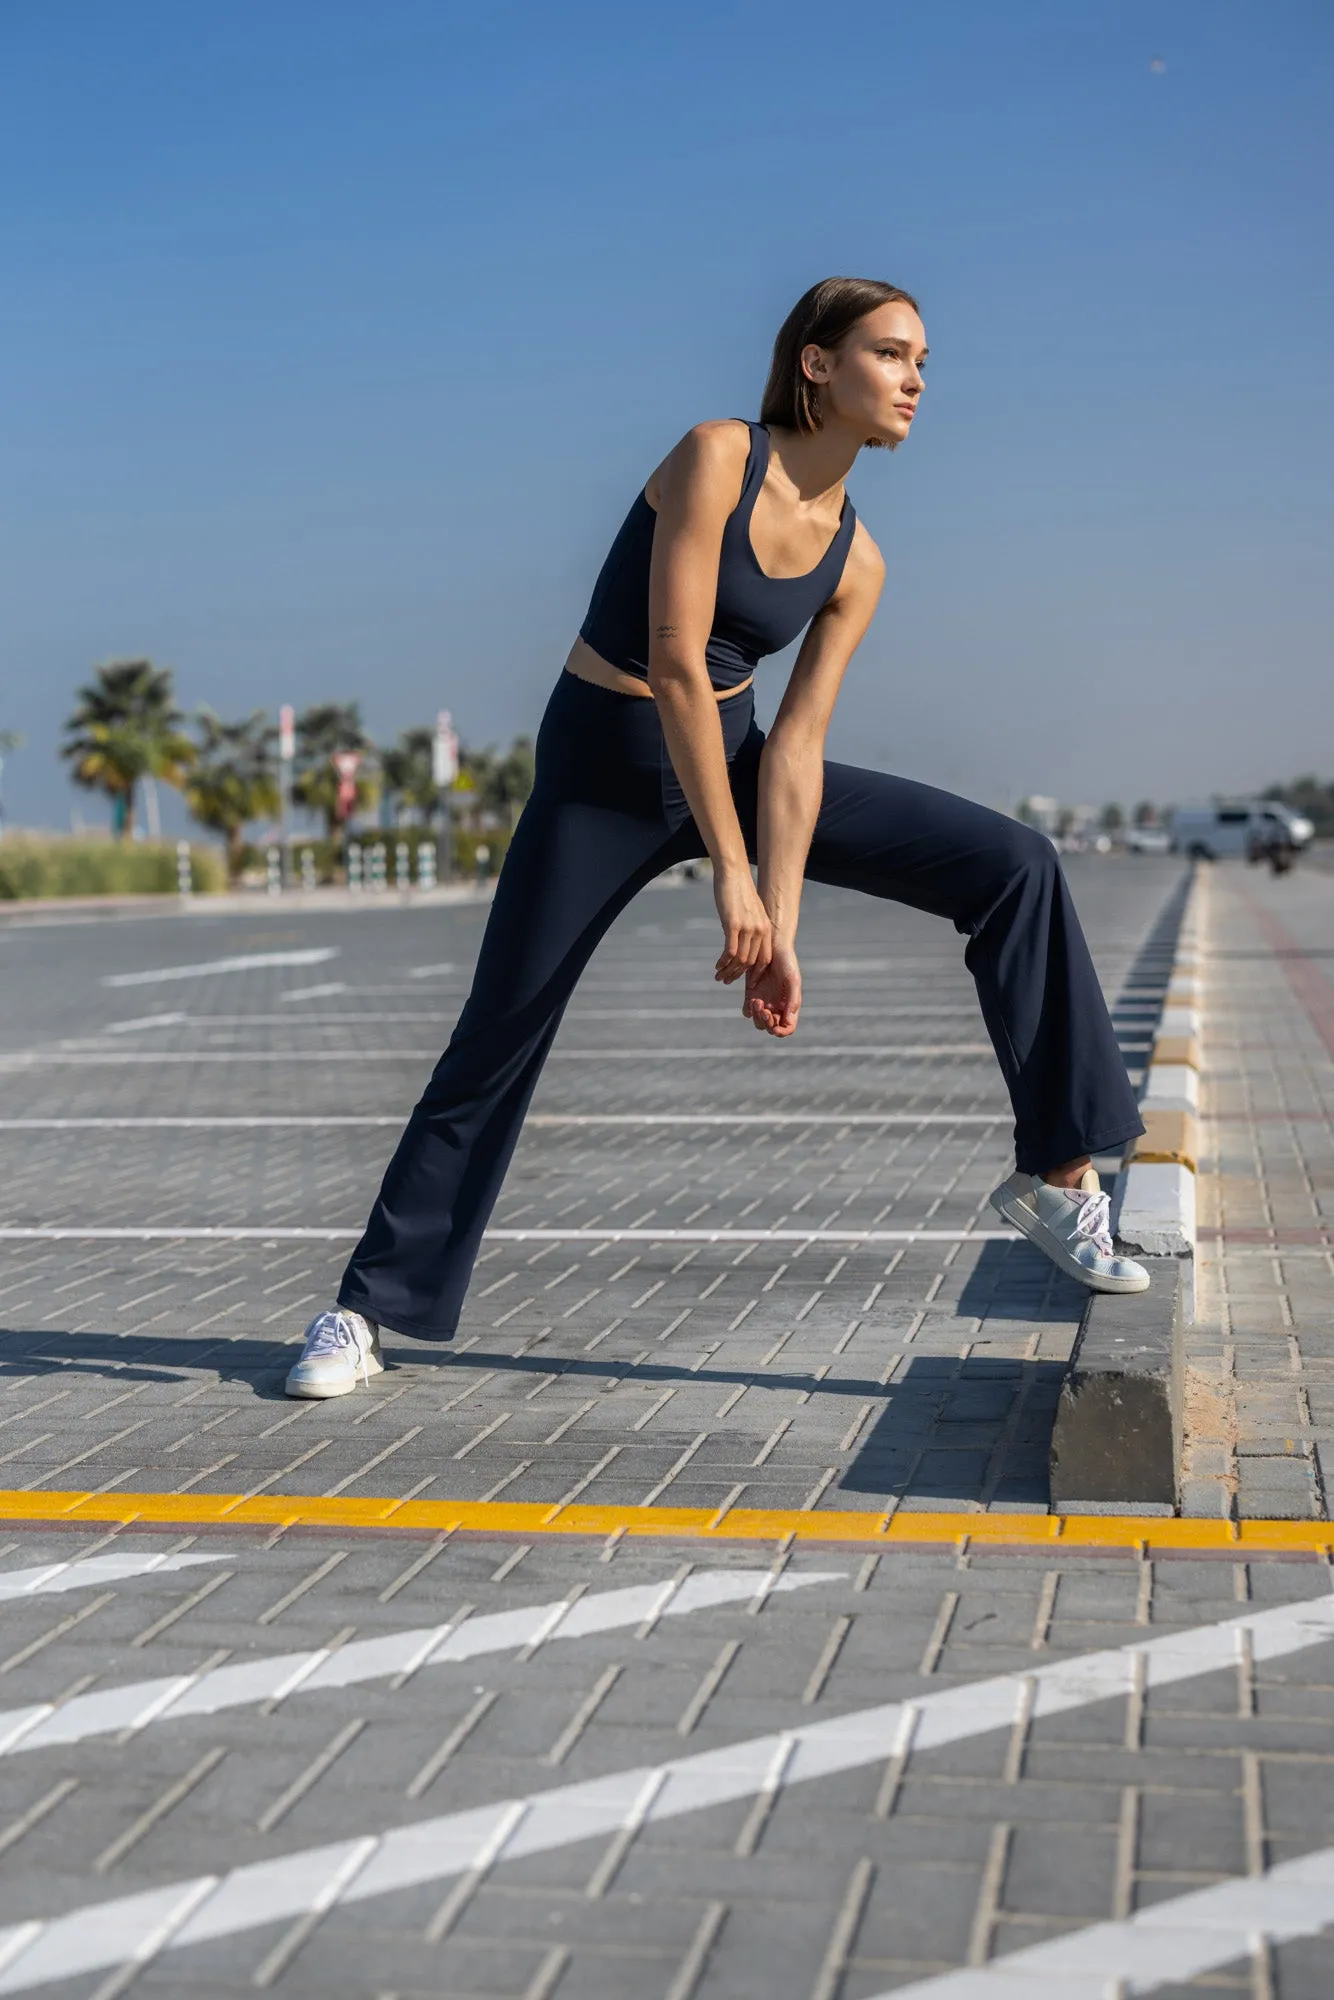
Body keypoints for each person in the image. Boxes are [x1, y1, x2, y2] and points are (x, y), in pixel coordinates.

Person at [286, 276, 1149, 1400]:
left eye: (922, 361)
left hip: (732, 764)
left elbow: (792, 750)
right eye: (889, 354)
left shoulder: (858, 560)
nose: (913, 381)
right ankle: (363, 1309)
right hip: (601, 775)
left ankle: (1058, 1175)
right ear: (815, 363)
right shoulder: (715, 456)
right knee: (497, 1030)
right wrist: (729, 877)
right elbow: (675, 660)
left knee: (1013, 865)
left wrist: (777, 922)